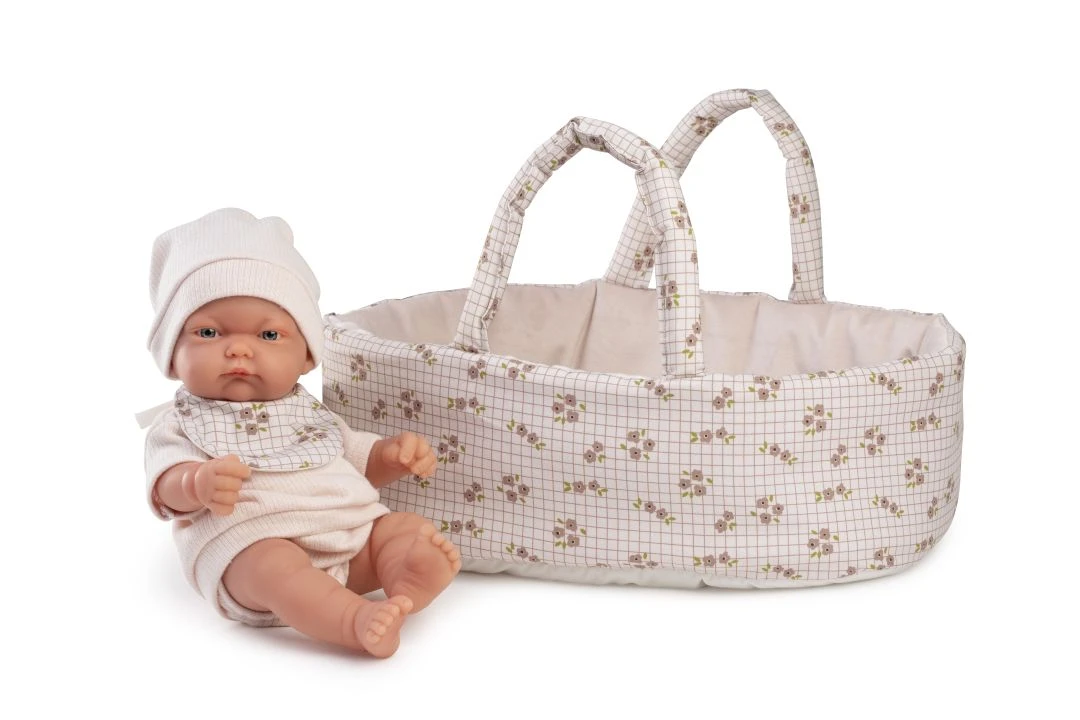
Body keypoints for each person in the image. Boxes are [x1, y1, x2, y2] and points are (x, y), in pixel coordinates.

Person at [142, 208, 460, 658]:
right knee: (276, 569)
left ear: (306, 357)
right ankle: (353, 621)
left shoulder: (308, 412)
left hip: (349, 540)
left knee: (401, 530)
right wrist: (195, 483)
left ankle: (404, 577)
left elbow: (357, 461)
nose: (239, 348)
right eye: (208, 332)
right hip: (249, 548)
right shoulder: (178, 424)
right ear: (171, 356)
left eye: (269, 335)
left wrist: (392, 456)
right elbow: (163, 489)